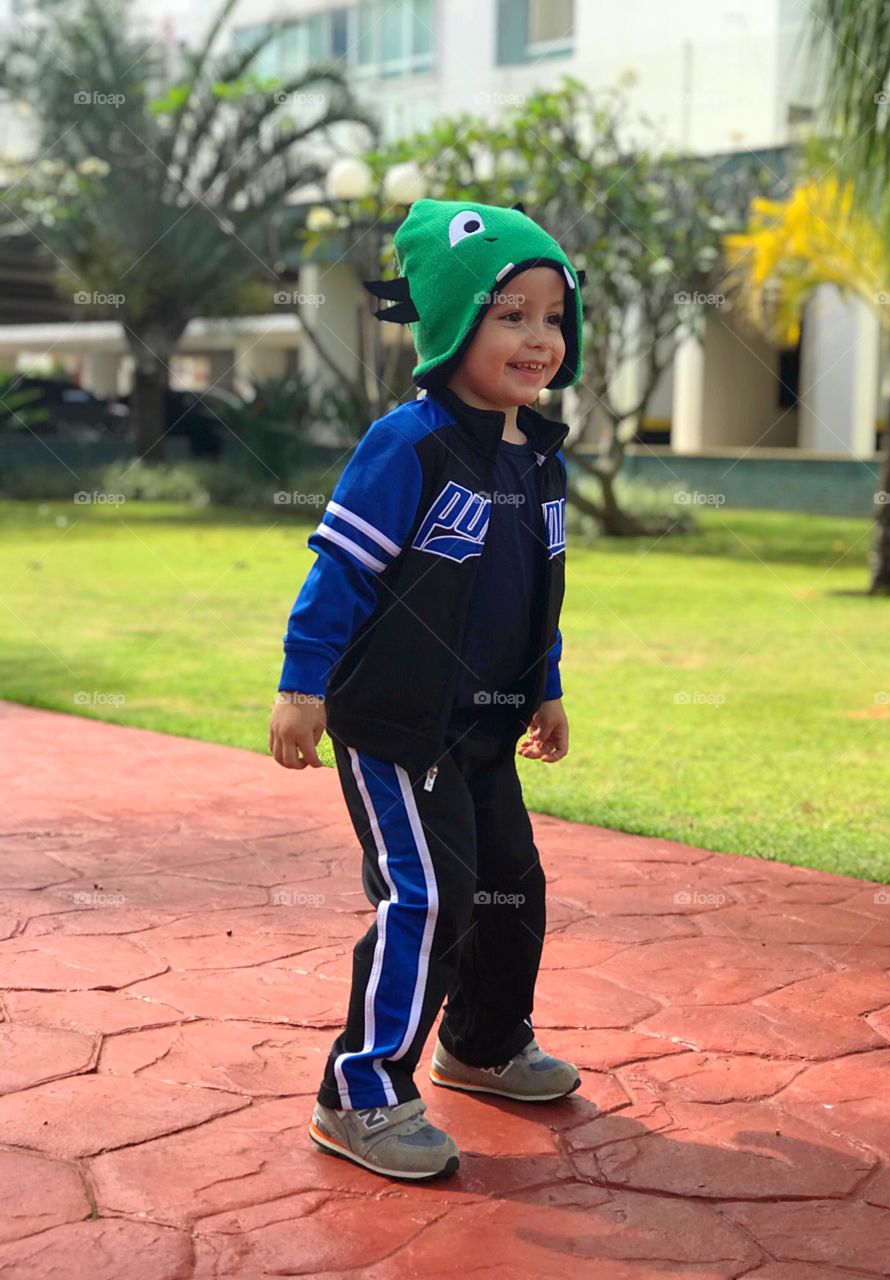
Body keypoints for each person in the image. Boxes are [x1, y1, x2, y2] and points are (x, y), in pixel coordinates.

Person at [269, 198, 587, 1182]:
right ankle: (358, 1092)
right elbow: (340, 571)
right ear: (452, 323)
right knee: (430, 894)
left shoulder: (540, 460)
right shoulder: (407, 444)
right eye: (510, 314)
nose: (538, 338)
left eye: (553, 317)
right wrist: (302, 682)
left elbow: (536, 592)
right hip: (399, 726)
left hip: (486, 728)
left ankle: (483, 1043)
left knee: (511, 887)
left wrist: (547, 686)